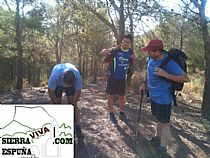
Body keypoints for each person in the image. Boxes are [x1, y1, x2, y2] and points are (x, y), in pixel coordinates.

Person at [139, 40, 189, 158]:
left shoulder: (169, 63)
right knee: (159, 120)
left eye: (150, 51)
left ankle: (163, 149)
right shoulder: (151, 59)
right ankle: (157, 138)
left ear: (157, 51)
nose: (148, 53)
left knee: (165, 123)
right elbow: (148, 71)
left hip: (164, 99)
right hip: (154, 97)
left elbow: (185, 78)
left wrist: (165, 74)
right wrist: (144, 83)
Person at [100, 34, 136, 124]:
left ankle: (121, 113)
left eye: (128, 42)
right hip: (112, 77)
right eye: (124, 41)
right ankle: (111, 113)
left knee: (121, 96)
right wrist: (111, 49)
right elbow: (102, 53)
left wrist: (134, 59)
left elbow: (132, 64)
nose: (126, 44)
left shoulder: (130, 52)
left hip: (122, 78)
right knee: (111, 96)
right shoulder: (116, 49)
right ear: (122, 41)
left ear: (130, 43)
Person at [48, 63, 84, 139]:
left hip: (70, 84)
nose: (67, 85)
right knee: (55, 104)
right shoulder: (55, 76)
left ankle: (78, 126)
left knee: (73, 104)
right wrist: (58, 105)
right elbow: (51, 92)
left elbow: (78, 91)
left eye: (69, 84)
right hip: (58, 84)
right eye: (66, 84)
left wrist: (73, 104)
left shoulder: (77, 76)